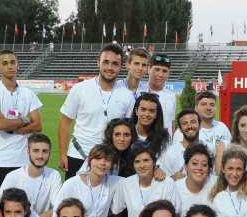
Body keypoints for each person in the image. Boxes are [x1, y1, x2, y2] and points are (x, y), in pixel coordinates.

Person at [58, 43, 133, 176]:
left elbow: (128, 131)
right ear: (98, 62)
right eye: (106, 62)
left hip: (110, 159)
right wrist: (63, 154)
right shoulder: (80, 89)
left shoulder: (127, 95)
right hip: (78, 155)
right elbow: (65, 122)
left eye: (115, 64)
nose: (110, 67)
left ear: (121, 66)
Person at [0, 49, 43, 193]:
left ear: (17, 65)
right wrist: (25, 119)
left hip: (24, 162)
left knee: (24, 204)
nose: (9, 66)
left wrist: (12, 128)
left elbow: (38, 125)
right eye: (5, 63)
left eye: (12, 62)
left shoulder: (28, 93)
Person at [0, 134, 63, 217]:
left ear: (50, 153)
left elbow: (58, 207)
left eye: (45, 151)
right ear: (28, 152)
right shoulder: (12, 176)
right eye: (36, 151)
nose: (40, 156)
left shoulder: (54, 175)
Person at [55, 144, 122, 217]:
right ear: (89, 161)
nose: (102, 163)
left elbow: (134, 181)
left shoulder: (114, 182)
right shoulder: (72, 184)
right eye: (98, 158)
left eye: (107, 160)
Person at [110, 145, 180, 217]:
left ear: (154, 163)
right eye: (137, 162)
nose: (142, 165)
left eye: (146, 160)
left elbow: (174, 211)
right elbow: (116, 209)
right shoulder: (125, 184)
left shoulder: (167, 183)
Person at [175, 90, 230, 172]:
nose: (209, 108)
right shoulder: (185, 131)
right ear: (196, 108)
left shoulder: (222, 127)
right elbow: (177, 159)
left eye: (212, 105)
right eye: (204, 104)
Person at [129, 92, 171, 168]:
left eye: (151, 111)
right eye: (143, 109)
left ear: (156, 115)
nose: (147, 114)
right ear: (136, 111)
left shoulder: (163, 136)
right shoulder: (126, 132)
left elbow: (163, 163)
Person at [175, 143, 218, 217]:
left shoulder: (216, 183)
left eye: (204, 165)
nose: (199, 168)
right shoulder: (176, 188)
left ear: (209, 169)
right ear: (186, 166)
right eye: (194, 163)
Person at [160, 109, 201, 179]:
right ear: (180, 129)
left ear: (200, 125)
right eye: (185, 123)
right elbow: (163, 181)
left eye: (193, 122)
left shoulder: (208, 149)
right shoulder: (170, 153)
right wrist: (173, 178)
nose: (189, 126)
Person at [144, 53, 178, 133]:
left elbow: (172, 122)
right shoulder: (139, 93)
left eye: (164, 71)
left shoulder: (172, 96)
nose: (160, 74)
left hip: (166, 141)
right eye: (157, 69)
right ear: (149, 69)